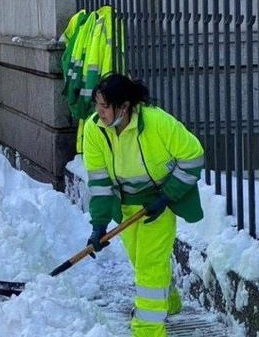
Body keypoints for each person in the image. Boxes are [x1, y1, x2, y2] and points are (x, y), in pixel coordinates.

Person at [83, 73, 204, 337]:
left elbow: (193, 156)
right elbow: (100, 182)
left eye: (105, 106)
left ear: (124, 107)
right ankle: (168, 298)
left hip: (159, 202)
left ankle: (148, 329)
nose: (98, 112)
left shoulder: (156, 122)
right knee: (141, 261)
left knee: (149, 266)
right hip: (127, 205)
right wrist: (99, 225)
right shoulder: (94, 130)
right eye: (97, 105)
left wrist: (167, 196)